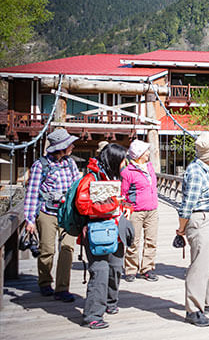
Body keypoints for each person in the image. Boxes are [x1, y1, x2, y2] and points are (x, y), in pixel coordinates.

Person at [74, 143, 135, 329]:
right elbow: (82, 205)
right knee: (99, 272)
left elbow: (123, 200)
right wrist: (112, 206)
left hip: (115, 232)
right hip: (97, 233)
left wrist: (126, 207)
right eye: (123, 160)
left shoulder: (112, 176)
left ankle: (110, 302)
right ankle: (92, 315)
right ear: (114, 160)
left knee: (116, 268)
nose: (126, 164)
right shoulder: (90, 178)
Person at [22, 127, 81, 303]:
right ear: (60, 147)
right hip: (47, 213)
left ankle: (63, 288)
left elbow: (76, 186)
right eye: (69, 144)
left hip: (67, 214)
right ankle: (45, 281)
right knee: (47, 250)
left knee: (67, 249)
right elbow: (32, 193)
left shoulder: (71, 163)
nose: (72, 147)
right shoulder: (41, 165)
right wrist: (30, 219)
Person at [177, 133, 209, 327]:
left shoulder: (206, 169)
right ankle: (193, 309)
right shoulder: (196, 172)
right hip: (202, 219)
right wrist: (181, 229)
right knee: (199, 267)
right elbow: (188, 204)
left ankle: (208, 302)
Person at [120, 139, 159, 282]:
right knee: (133, 241)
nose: (149, 153)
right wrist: (126, 209)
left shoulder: (150, 167)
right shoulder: (127, 172)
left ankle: (147, 269)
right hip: (135, 211)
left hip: (152, 210)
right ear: (140, 154)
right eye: (146, 151)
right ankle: (131, 269)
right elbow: (123, 193)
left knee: (151, 240)